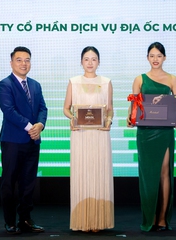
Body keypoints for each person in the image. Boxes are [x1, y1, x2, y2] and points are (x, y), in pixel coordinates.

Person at [126, 42, 176, 232]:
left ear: (164, 58)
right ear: (147, 58)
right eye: (152, 56)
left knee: (164, 173)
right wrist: (130, 117)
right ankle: (149, 218)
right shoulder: (139, 79)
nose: (155, 59)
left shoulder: (172, 79)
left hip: (165, 132)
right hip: (145, 133)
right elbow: (134, 106)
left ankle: (162, 219)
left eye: (159, 55)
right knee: (148, 175)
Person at [0, 46, 48, 235]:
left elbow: (42, 108)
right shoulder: (5, 85)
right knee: (9, 182)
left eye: (27, 60)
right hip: (13, 141)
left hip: (33, 141)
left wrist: (40, 125)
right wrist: (30, 128)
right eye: (19, 60)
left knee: (28, 183)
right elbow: (9, 111)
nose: (23, 63)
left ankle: (25, 219)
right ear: (11, 63)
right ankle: (10, 222)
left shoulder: (35, 85)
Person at [62, 46, 114, 232]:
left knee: (99, 174)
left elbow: (110, 110)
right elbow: (66, 108)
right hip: (80, 135)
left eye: (94, 59)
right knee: (82, 174)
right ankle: (83, 221)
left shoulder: (106, 82)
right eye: (86, 59)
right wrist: (72, 118)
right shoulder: (73, 82)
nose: (90, 63)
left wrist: (108, 121)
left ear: (99, 62)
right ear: (81, 62)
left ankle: (99, 221)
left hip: (100, 135)